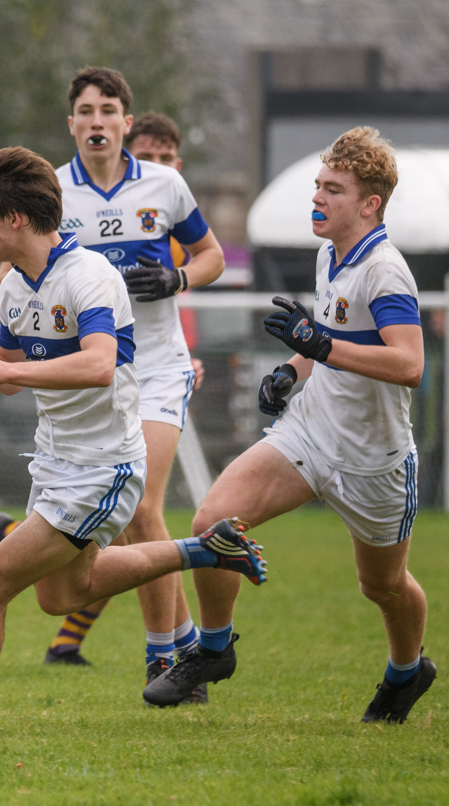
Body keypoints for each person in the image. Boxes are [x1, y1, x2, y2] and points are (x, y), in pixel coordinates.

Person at [0, 146, 266, 732]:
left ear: (16, 219)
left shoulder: (89, 277)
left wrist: (6, 372)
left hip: (103, 467)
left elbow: (99, 364)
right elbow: (0, 371)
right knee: (58, 596)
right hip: (56, 463)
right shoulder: (15, 284)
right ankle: (204, 549)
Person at [145, 127, 437, 723]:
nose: (318, 198)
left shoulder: (385, 271)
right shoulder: (330, 251)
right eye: (317, 186)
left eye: (333, 189)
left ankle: (407, 672)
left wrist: (321, 348)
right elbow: (326, 339)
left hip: (374, 460)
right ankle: (215, 648)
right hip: (310, 433)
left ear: (370, 204)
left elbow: (408, 364)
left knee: (382, 587)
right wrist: (292, 368)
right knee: (212, 520)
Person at [0, 71, 224, 699]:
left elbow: (212, 256)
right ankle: (190, 643)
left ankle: (164, 659)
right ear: (71, 125)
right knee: (90, 553)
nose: (96, 121)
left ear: (125, 121)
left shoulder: (164, 183)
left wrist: (177, 280)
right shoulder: (51, 192)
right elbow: (17, 270)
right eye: (84, 111)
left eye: (108, 110)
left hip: (158, 366)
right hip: (87, 373)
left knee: (144, 509)